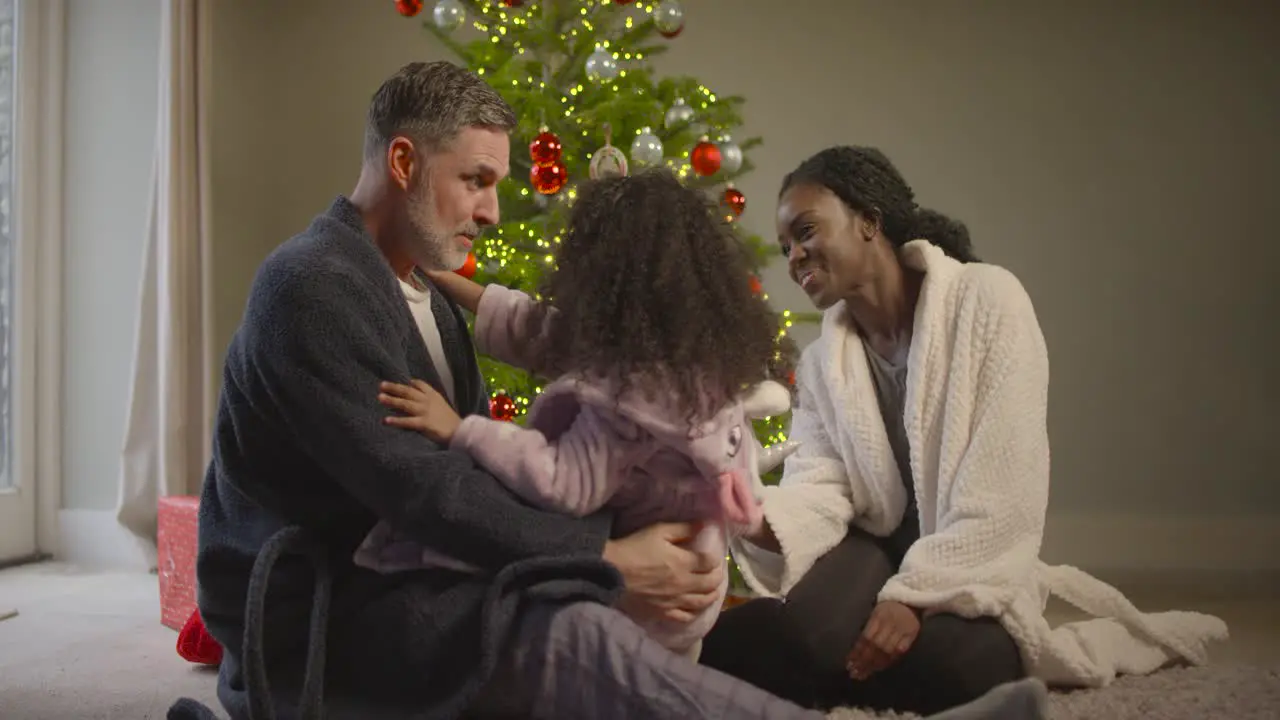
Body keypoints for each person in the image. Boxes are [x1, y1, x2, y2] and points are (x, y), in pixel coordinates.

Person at [177, 62, 1053, 720]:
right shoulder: (313, 285)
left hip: (417, 575)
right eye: (476, 180)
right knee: (579, 630)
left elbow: (549, 366)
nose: (490, 210)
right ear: (403, 160)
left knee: (609, 626)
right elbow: (424, 485)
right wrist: (599, 559)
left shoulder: (426, 296)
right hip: (330, 611)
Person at [699, 145, 1230, 716]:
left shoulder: (988, 301)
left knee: (956, 667)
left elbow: (1005, 486)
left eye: (806, 232)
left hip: (965, 553)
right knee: (800, 636)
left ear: (869, 221)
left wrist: (917, 597)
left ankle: (835, 670)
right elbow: (821, 489)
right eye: (785, 247)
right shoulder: (822, 365)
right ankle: (713, 656)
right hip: (870, 543)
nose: (795, 256)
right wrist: (757, 517)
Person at [352, 168, 793, 662]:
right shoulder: (694, 363)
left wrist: (462, 430)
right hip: (692, 605)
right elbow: (538, 329)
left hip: (645, 613)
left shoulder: (630, 408)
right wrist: (441, 276)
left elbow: (564, 482)